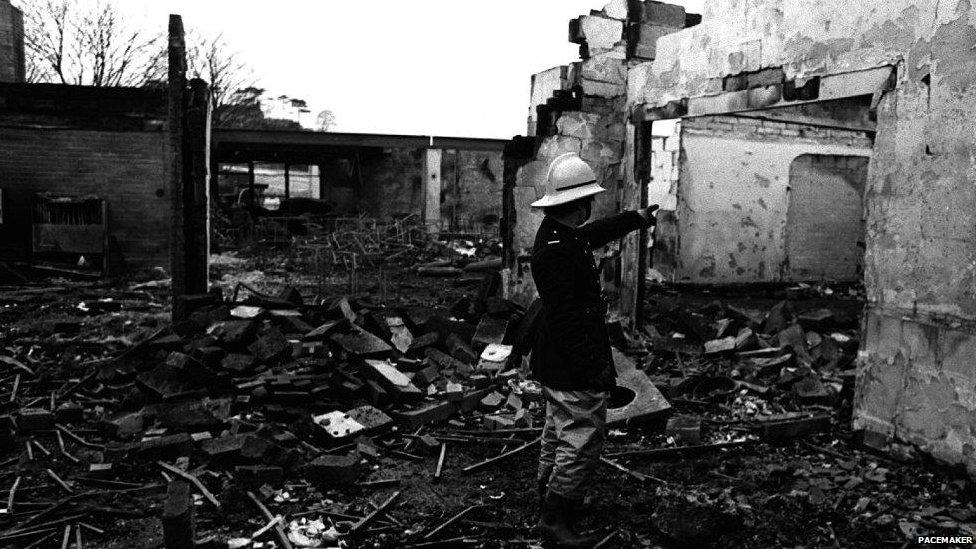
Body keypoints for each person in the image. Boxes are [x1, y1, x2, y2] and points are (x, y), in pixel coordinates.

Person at [530, 152, 657, 547]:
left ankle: (549, 497)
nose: (592, 209)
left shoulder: (559, 234)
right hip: (571, 360)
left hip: (555, 358)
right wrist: (593, 370)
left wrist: (635, 218)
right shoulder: (557, 250)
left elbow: (596, 233)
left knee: (559, 429)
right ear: (578, 204)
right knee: (582, 436)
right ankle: (555, 518)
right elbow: (568, 320)